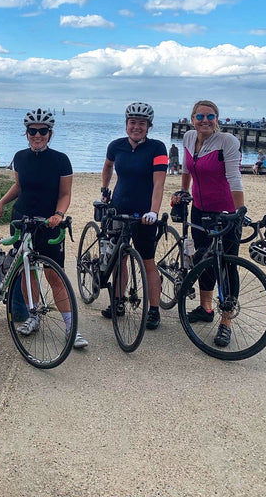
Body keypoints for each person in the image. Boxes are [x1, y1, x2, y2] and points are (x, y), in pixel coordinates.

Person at [0, 108, 88, 349]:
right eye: (32, 131)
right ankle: (33, 317)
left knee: (54, 275)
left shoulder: (61, 160)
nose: (37, 135)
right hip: (22, 220)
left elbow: (65, 194)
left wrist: (58, 214)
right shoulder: (20, 157)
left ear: (50, 133)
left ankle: (70, 327)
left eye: (42, 131)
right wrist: (2, 203)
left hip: (48, 223)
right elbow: (19, 187)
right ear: (26, 133)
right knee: (27, 271)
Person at [173, 99, 244, 347]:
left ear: (218, 119)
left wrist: (238, 211)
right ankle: (205, 308)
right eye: (200, 117)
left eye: (210, 116)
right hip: (199, 210)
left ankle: (226, 321)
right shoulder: (189, 138)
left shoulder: (227, 142)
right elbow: (186, 169)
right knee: (203, 260)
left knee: (227, 265)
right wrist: (183, 192)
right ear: (192, 119)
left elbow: (235, 179)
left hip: (226, 212)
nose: (205, 121)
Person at [100, 102, 168, 330]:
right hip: (119, 208)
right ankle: (118, 301)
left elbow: (159, 183)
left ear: (148, 126)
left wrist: (154, 211)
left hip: (144, 213)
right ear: (126, 124)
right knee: (120, 258)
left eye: (141, 123)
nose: (136, 127)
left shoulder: (157, 148)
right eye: (132, 123)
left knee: (148, 261)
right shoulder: (116, 146)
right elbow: (108, 166)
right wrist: (105, 189)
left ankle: (154, 310)